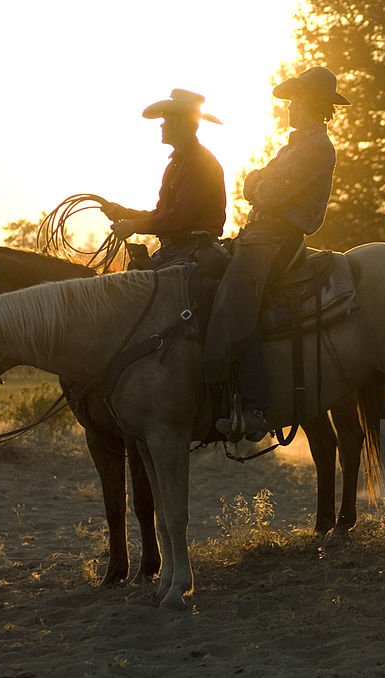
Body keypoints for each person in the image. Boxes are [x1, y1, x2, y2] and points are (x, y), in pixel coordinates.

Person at [204, 67, 350, 441]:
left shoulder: (317, 147)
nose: (290, 107)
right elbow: (259, 184)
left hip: (278, 238)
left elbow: (266, 191)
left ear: (313, 105)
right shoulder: (296, 145)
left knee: (236, 303)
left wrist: (256, 184)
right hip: (261, 234)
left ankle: (254, 408)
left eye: (296, 100)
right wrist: (258, 185)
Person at [101, 89, 226, 267]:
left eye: (166, 120)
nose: (161, 125)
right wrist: (126, 214)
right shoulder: (177, 163)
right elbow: (164, 215)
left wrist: (134, 225)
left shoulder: (201, 163)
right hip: (174, 252)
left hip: (193, 254)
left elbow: (180, 218)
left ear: (180, 123)